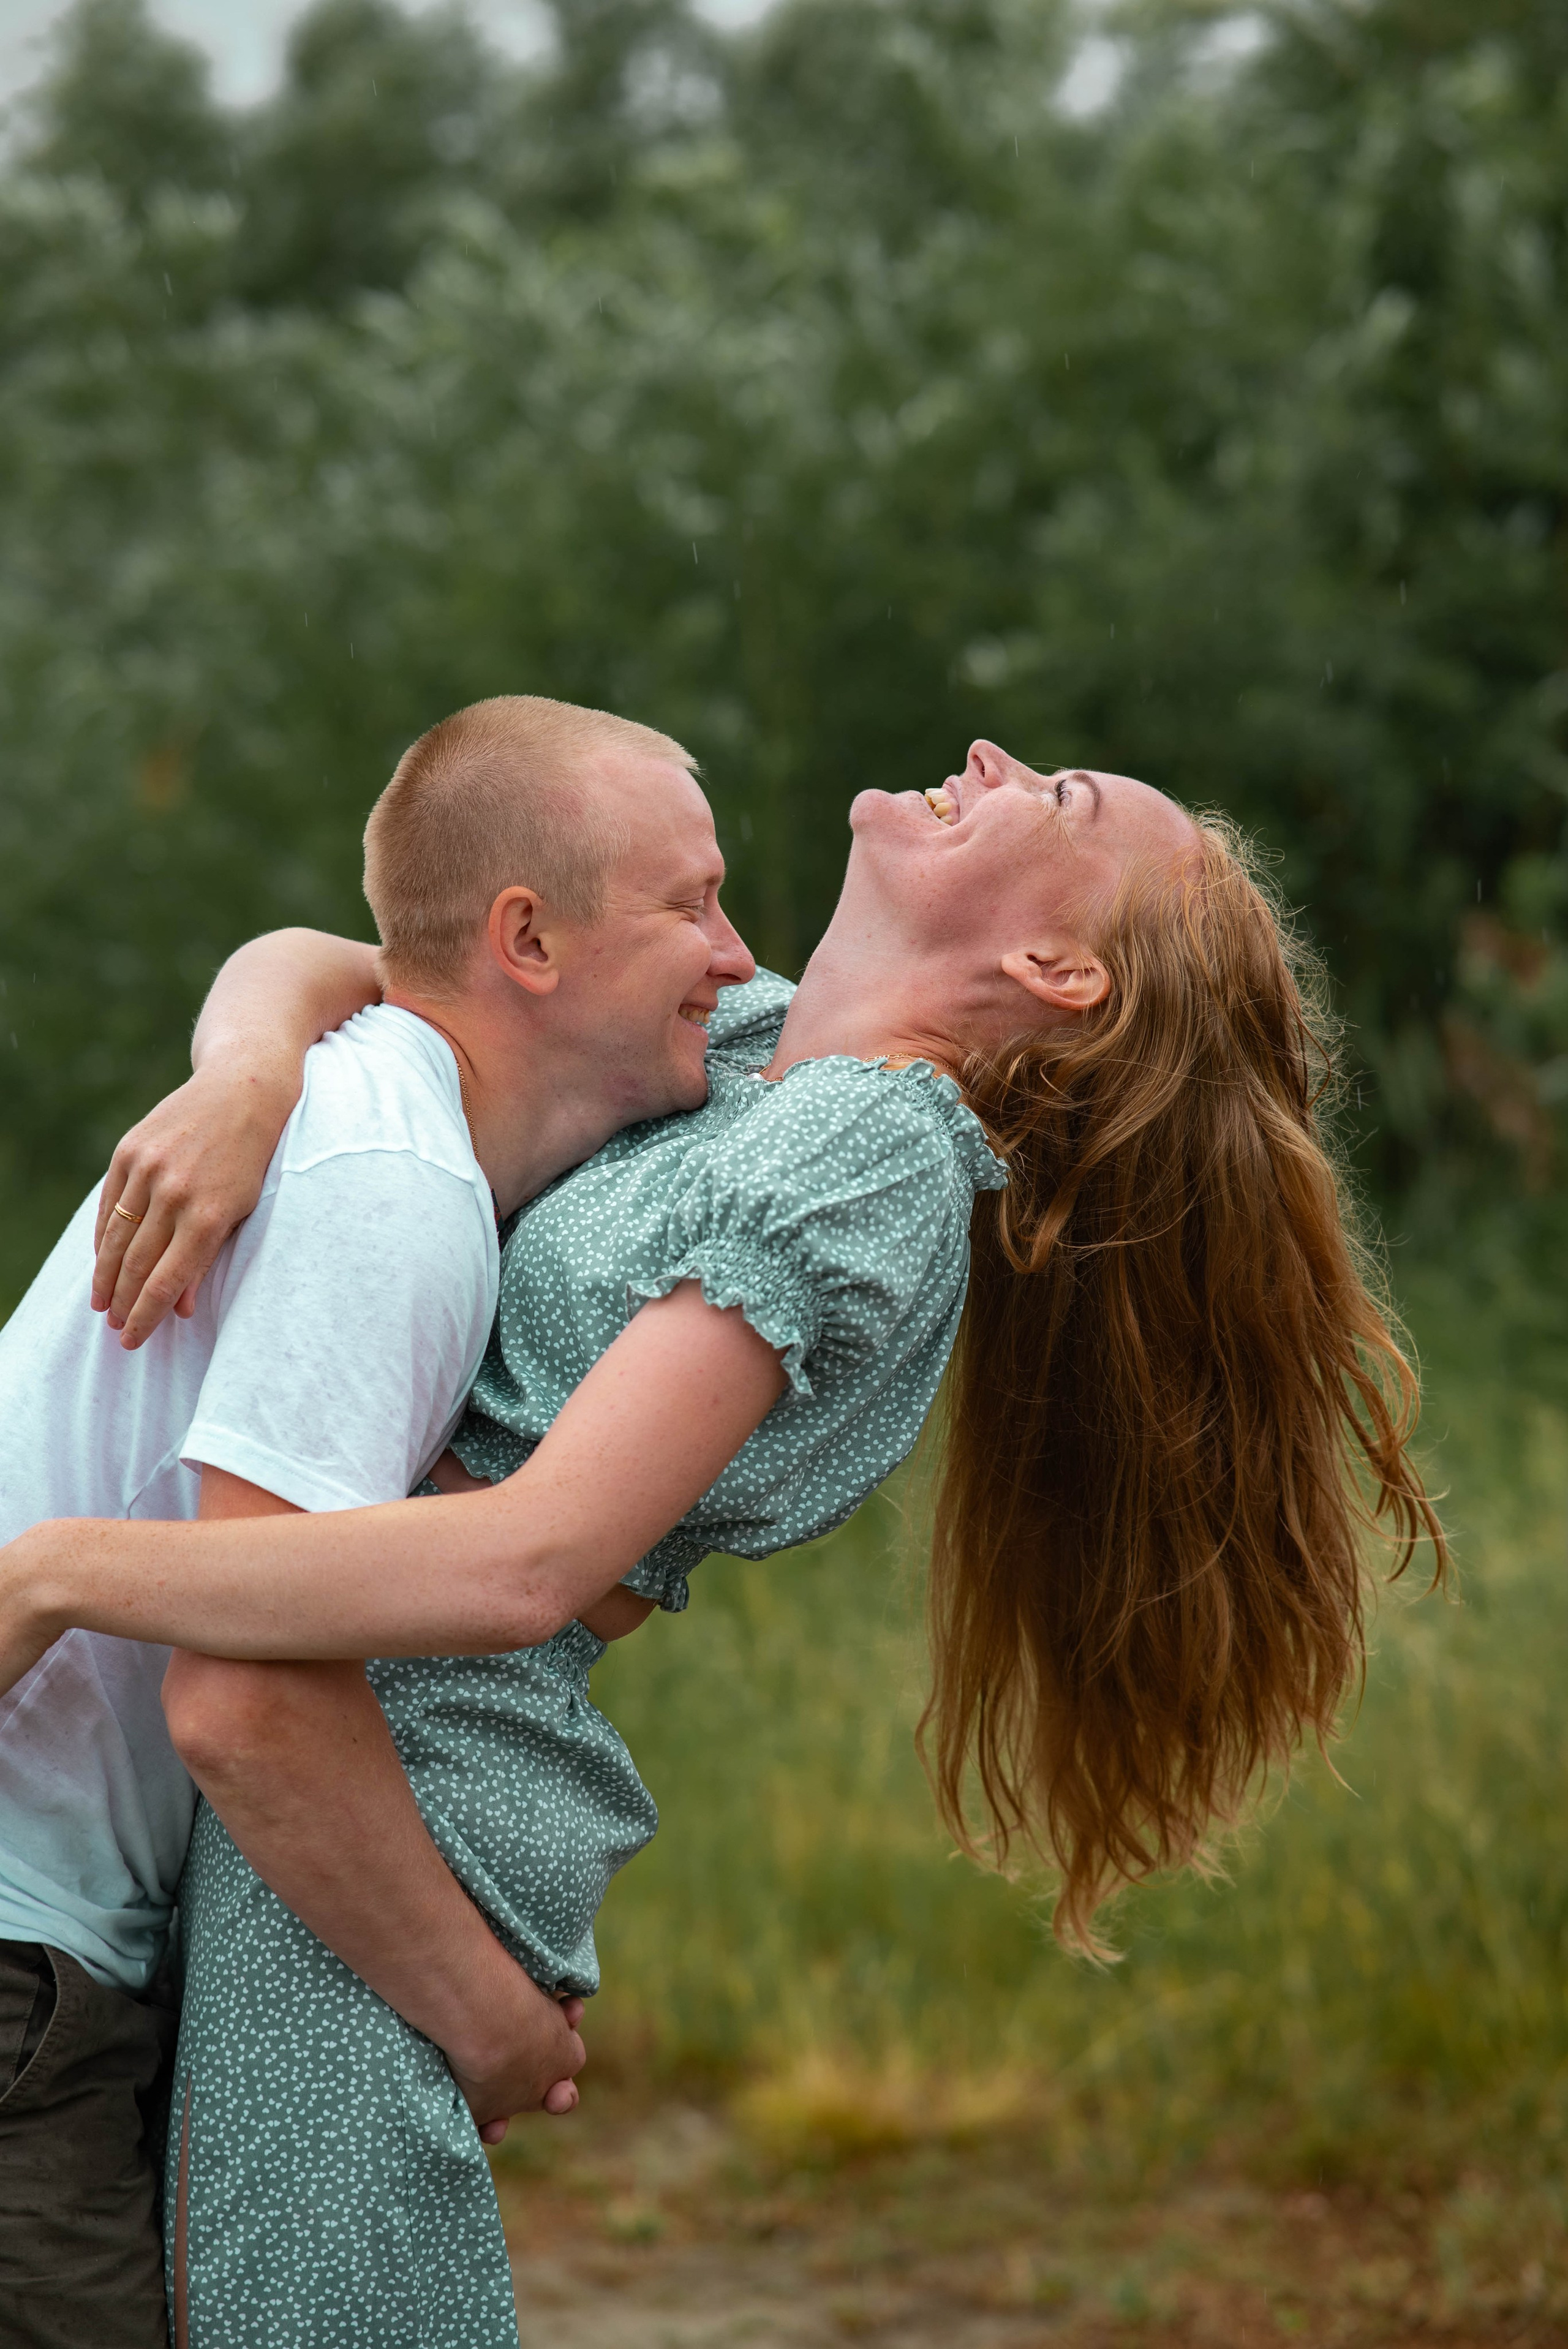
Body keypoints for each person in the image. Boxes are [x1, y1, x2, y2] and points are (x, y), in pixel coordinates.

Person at [0, 741, 1444, 2348]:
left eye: (1061, 799)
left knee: (322, 2309)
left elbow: (529, 1561)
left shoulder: (879, 1158)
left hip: (400, 1780)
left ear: (1053, 965)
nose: (991, 755)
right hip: (307, 1748)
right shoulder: (764, 1054)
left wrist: (49, 1577)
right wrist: (249, 1071)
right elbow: (384, 954)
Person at [0, 695, 756, 2349]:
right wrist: (489, 2022)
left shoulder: (367, 1092)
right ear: (527, 940)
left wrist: (250, 1048)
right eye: (692, 903)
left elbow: (321, 952)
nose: (739, 952)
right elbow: (246, 1698)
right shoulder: (390, 1191)